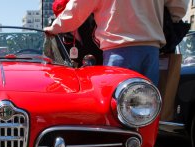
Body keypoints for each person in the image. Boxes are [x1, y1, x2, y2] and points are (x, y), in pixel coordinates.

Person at [44, 0, 188, 86]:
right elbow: (179, 6)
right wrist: (168, 21)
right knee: (147, 110)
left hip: (119, 50)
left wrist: (54, 27)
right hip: (151, 49)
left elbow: (77, 9)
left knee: (116, 113)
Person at [51, 0, 102, 67]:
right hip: (78, 74)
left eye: (66, 16)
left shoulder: (92, 20)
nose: (65, 20)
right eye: (62, 18)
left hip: (100, 68)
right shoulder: (59, 35)